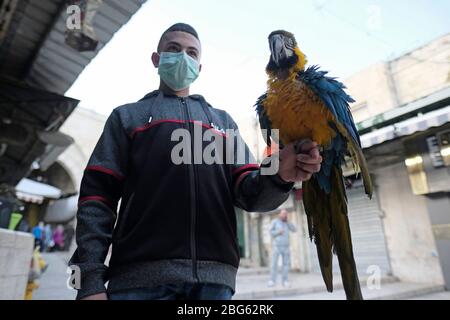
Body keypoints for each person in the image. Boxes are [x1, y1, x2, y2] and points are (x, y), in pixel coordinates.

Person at [69, 23, 322, 300]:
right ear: (156, 59)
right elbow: (96, 200)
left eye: (192, 53)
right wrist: (89, 283)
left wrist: (278, 175)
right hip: (137, 284)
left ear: (199, 68)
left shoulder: (223, 124)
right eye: (173, 49)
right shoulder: (127, 118)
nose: (183, 57)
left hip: (215, 285)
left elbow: (250, 195)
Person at [268, 209, 297, 288]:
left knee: (286, 265)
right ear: (280, 214)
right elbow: (270, 232)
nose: (284, 215)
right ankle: (272, 281)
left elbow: (294, 229)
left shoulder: (287, 223)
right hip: (276, 246)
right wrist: (278, 232)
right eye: (283, 214)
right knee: (274, 264)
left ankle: (285, 281)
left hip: (286, 246)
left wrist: (288, 222)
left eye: (286, 214)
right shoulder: (275, 222)